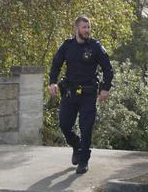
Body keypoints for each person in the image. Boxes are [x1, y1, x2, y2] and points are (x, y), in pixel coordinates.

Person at [48, 15, 113, 174]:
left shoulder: (95, 46)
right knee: (64, 125)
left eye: (88, 27)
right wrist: (52, 82)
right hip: (70, 93)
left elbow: (108, 69)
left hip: (88, 94)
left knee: (86, 128)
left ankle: (83, 161)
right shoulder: (67, 46)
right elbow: (56, 64)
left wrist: (105, 88)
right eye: (84, 27)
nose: (87, 30)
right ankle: (77, 146)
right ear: (76, 28)